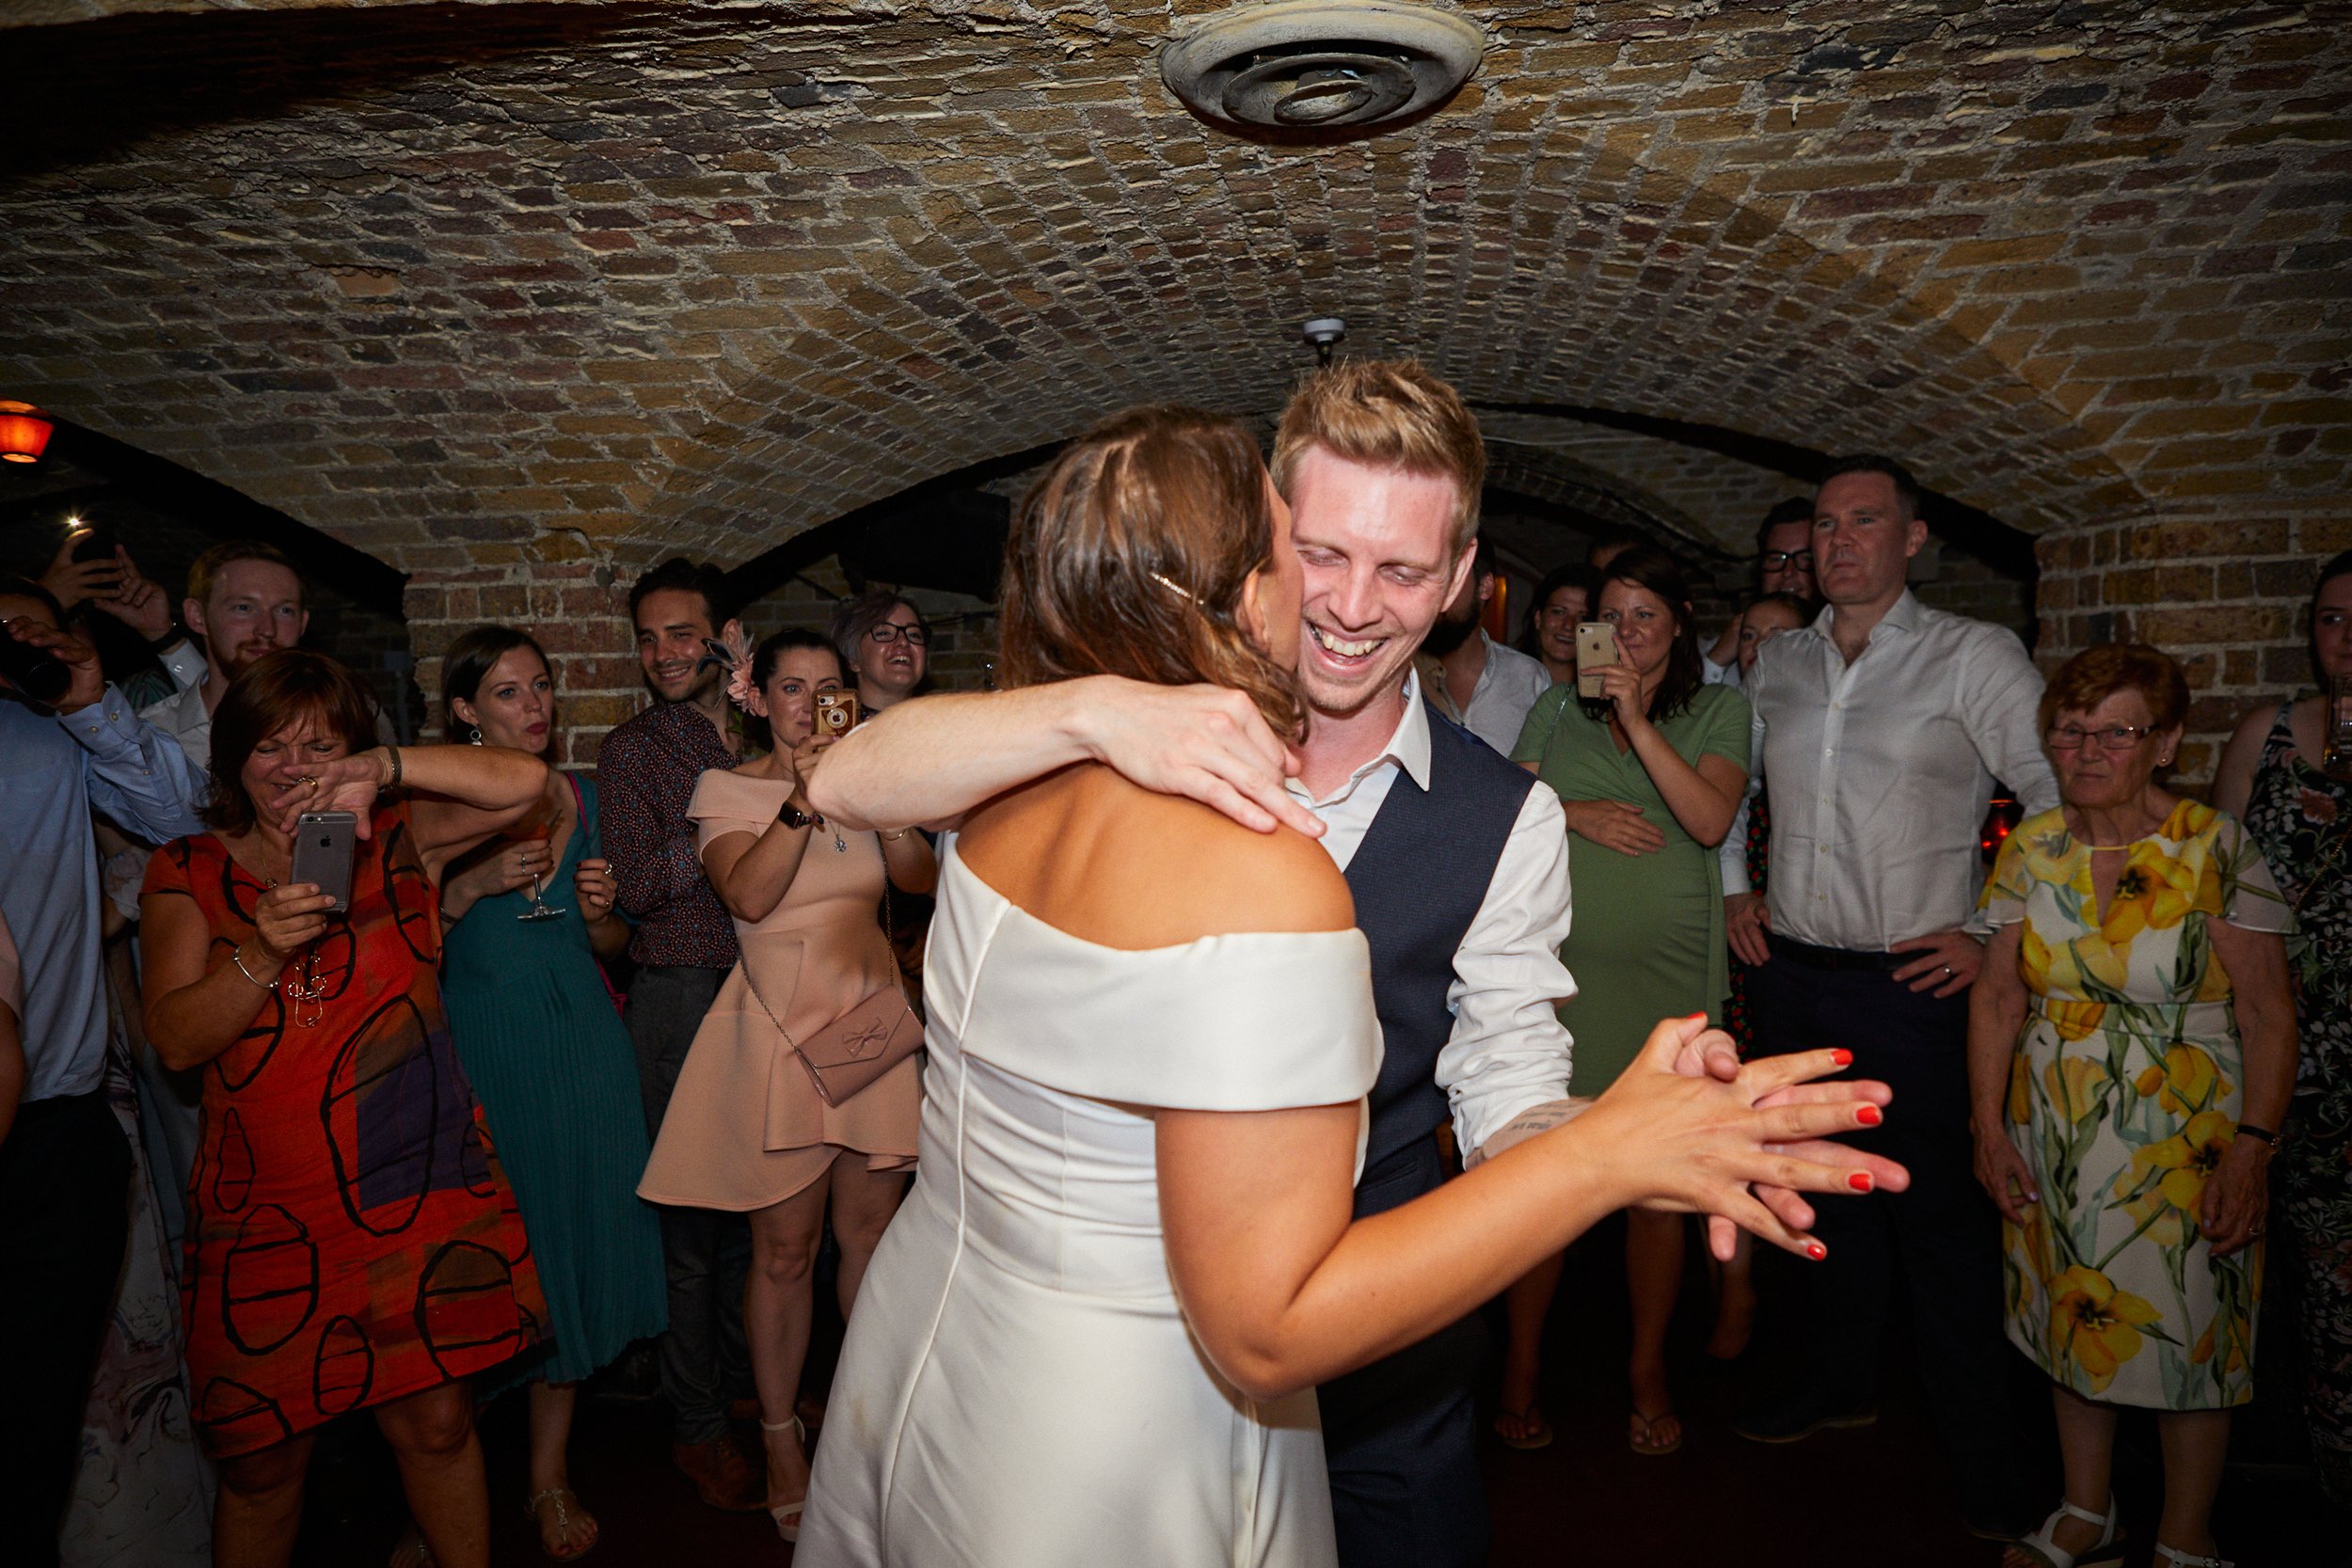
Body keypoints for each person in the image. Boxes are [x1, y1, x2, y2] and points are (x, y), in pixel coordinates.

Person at [795, 404, 1903, 1568]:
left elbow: (1507, 1082)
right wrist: (1096, 706)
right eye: (1320, 553)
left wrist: (1619, 1134)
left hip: (1383, 1343)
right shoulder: (1096, 745)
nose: (1354, 605)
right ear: (1257, 558)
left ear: (1461, 579)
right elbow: (850, 775)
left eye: (1402, 570)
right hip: (1154, 1359)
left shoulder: (1508, 815)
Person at [137, 650, 548, 1568]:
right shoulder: (186, 868)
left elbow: (529, 783)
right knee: (262, 1462)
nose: (294, 766)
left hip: (412, 1180)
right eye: (270, 746)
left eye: (320, 745)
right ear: (233, 756)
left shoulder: (399, 836)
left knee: (437, 1423)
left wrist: (383, 767)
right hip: (267, 1211)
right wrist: (259, 951)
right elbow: (174, 1039)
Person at [1727, 454, 2058, 1541]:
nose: (1839, 541)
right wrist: (1731, 886)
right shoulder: (1781, 660)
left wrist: (1988, 930)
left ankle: (1988, 1462)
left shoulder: (1972, 654)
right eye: (1825, 524)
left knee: (1942, 1230)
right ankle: (1838, 1384)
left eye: (1864, 521)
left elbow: (2054, 797)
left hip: (1911, 987)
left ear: (1913, 538)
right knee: (1822, 1208)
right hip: (1793, 977)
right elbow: (1733, 784)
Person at [1969, 644, 2296, 1568]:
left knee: (2192, 1330)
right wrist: (1987, 1127)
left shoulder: (2213, 845)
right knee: (2073, 1314)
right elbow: (1996, 995)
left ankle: (2185, 1532)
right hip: (2056, 1127)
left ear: (2166, 742)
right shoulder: (2031, 846)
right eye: (2069, 730)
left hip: (2186, 1135)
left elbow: (2268, 1011)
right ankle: (2086, 1508)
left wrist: (2252, 1148)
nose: (2087, 750)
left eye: (2115, 731)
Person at [638, 627, 935, 1544]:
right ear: (757, 698)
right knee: (783, 1253)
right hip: (779, 1028)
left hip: (868, 1020)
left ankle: (873, 1427)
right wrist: (804, 797)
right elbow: (749, 896)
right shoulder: (726, 788)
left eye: (827, 686)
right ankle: (779, 1439)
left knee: (871, 1241)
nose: (811, 704)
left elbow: (918, 878)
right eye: (792, 687)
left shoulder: (865, 782)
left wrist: (878, 796)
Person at [1502, 545, 1752, 1456]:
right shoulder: (1555, 707)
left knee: (1657, 1191)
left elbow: (1709, 819)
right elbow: (1505, 806)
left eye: (1646, 614)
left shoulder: (1719, 709)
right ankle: (1521, 1367)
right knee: (1544, 1182)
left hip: (1668, 986)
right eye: (1610, 616)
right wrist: (1572, 812)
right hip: (1562, 981)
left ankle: (1647, 1368)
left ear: (1679, 623)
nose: (1626, 631)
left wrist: (1640, 722)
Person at [436, 626, 668, 1561]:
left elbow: (608, 946)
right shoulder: (434, 803)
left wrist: (604, 914)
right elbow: (389, 941)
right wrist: (464, 890)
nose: (533, 705)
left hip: (582, 1046)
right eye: (507, 691)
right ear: (464, 710)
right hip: (485, 1047)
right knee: (483, 1258)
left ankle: (547, 1474)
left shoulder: (584, 797)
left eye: (540, 686)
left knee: (567, 1245)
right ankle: (435, 1484)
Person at [0, 579, 206, 1568]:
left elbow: (184, 820)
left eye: (23, 626)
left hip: (54, 1126)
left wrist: (87, 700)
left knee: (33, 1431)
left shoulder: (54, 729)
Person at [596, 556, 765, 1513]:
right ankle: (697, 1426)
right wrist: (730, 799)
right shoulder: (634, 750)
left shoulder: (765, 729)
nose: (663, 653)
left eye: (682, 634)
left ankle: (747, 1389)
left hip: (770, 989)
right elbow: (641, 886)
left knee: (756, 1219)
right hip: (681, 993)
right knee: (693, 1231)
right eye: (648, 637)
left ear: (723, 638)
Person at [2215, 547, 2352, 1508]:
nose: (2345, 638)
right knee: (2253, 1273)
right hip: (2265, 1044)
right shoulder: (2264, 733)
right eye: (2332, 618)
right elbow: (2211, 883)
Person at [131, 541, 310, 770]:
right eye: (244, 608)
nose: (267, 629)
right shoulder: (148, 738)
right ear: (197, 616)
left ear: (303, 623)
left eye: (285, 611)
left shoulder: (339, 729)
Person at [1413, 534, 1551, 753]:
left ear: (1485, 587)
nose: (1438, 594)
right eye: (1429, 578)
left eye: (1452, 578)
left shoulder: (1528, 678)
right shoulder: (1399, 674)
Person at [1705, 499, 1820, 677]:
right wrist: (1716, 662)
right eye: (1776, 559)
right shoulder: (1726, 654)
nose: (1788, 572)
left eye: (1805, 558)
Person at [830, 592, 929, 714]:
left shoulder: (942, 722)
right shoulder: (832, 724)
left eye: (914, 635)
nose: (903, 642)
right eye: (884, 633)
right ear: (853, 659)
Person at [1516, 563, 1597, 689]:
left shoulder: (1606, 693)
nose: (1568, 626)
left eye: (1583, 618)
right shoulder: (1506, 680)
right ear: (1538, 618)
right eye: (1559, 612)